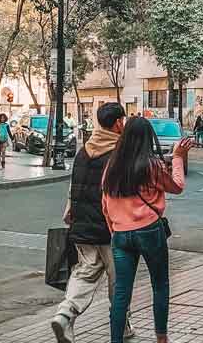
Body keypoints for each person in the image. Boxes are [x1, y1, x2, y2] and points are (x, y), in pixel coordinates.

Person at [102, 118, 192, 343]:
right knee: (159, 284)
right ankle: (161, 338)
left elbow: (105, 204)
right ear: (147, 138)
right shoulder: (151, 166)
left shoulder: (112, 166)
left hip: (120, 234)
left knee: (122, 291)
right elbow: (177, 186)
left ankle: (116, 340)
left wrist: (114, 229)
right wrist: (179, 157)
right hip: (149, 231)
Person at [51, 103, 135, 343]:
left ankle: (64, 315)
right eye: (123, 120)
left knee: (85, 273)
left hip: (82, 226)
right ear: (118, 123)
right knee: (118, 278)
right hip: (111, 228)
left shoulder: (83, 151)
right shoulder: (119, 153)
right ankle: (123, 324)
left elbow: (73, 188)